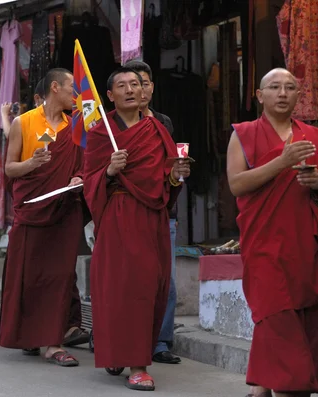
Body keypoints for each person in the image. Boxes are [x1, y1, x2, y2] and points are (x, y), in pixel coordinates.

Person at [226, 68, 318, 397]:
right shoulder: (244, 134)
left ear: (298, 95)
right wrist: (282, 162)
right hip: (265, 247)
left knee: (299, 319)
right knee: (275, 313)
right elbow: (237, 184)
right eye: (274, 87)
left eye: (290, 87)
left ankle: (262, 387)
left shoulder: (314, 136)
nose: (282, 93)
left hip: (303, 246)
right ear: (259, 95)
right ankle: (289, 388)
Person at [83, 68, 190, 391]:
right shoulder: (102, 132)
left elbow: (168, 177)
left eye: (136, 84)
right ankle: (124, 356)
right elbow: (89, 180)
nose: (131, 90)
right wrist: (109, 171)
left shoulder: (157, 130)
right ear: (111, 96)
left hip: (152, 216)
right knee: (118, 286)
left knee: (148, 285)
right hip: (117, 213)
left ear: (145, 90)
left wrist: (176, 176)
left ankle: (138, 360)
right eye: (122, 86)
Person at [0, 68, 84, 366]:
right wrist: (32, 163)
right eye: (72, 87)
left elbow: (84, 165)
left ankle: (53, 343)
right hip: (32, 207)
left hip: (65, 210)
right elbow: (10, 169)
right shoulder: (24, 122)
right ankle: (29, 335)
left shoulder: (75, 126)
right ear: (55, 88)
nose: (76, 93)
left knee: (60, 276)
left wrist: (77, 177)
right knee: (30, 275)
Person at [126, 60, 182, 365]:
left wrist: (178, 173)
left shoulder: (163, 122)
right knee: (127, 277)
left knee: (165, 278)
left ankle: (160, 341)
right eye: (133, 84)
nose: (139, 89)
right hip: (125, 211)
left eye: (144, 83)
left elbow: (169, 163)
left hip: (162, 208)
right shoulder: (112, 125)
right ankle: (123, 339)